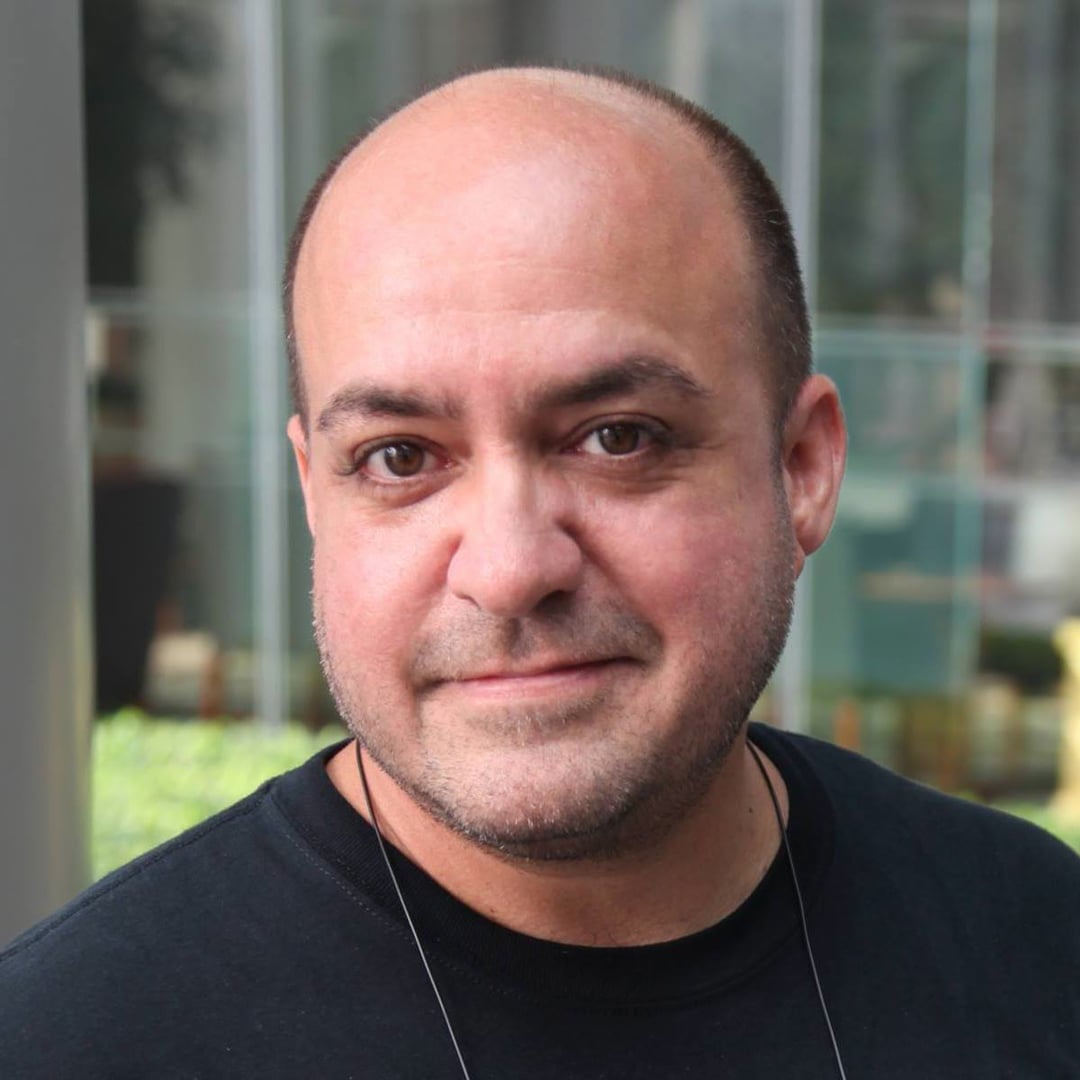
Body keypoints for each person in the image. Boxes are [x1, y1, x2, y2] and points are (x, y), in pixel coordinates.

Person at [2, 65, 1078, 1078]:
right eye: (399, 458)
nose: (511, 569)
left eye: (618, 438)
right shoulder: (66, 1043)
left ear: (801, 468)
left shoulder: (1039, 944)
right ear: (315, 496)